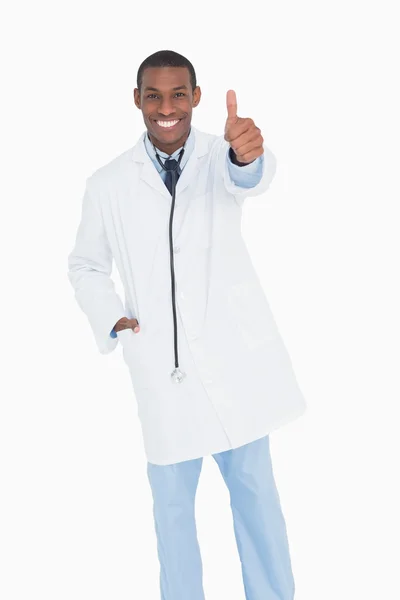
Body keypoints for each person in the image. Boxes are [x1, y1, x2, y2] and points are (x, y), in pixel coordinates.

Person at [67, 49, 307, 600]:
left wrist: (249, 157)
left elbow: (247, 178)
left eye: (179, 94)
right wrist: (114, 320)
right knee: (173, 518)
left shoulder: (221, 156)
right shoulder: (107, 184)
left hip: (235, 368)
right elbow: (84, 264)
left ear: (196, 97)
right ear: (137, 100)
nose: (166, 107)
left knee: (257, 501)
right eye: (154, 95)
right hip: (162, 373)